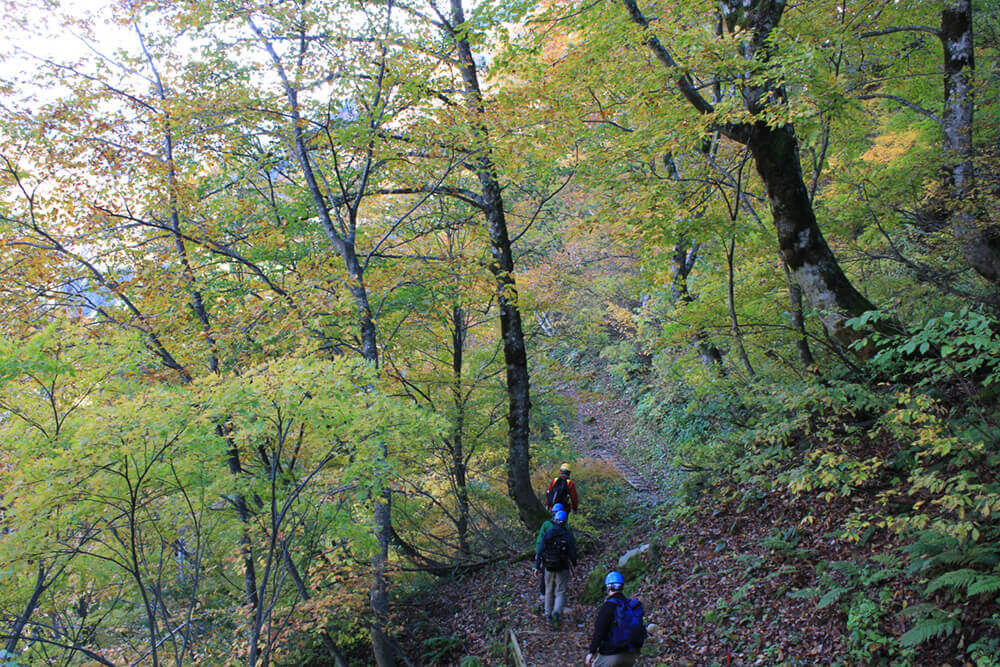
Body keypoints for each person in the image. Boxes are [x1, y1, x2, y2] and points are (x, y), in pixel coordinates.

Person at [585, 571, 646, 666]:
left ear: (608, 587)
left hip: (613, 654)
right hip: (632, 654)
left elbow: (600, 631)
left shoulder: (608, 606)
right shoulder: (631, 606)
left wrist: (591, 652)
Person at [536, 510, 577, 626]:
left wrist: (537, 566)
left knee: (548, 590)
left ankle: (548, 614)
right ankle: (556, 614)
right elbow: (572, 552)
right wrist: (575, 565)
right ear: (564, 522)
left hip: (548, 566)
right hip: (562, 567)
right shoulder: (567, 535)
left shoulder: (548, 533)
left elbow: (540, 550)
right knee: (560, 591)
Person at [534, 503, 564, 603]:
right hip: (560, 557)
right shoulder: (565, 525)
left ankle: (545, 595)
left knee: (546, 574)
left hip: (547, 555)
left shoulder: (547, 524)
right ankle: (553, 595)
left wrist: (538, 553)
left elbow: (540, 540)